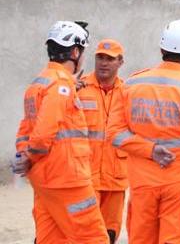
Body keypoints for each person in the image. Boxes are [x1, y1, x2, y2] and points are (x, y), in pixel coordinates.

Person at [108, 20, 180, 244]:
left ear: (162, 49)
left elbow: (115, 133)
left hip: (142, 183)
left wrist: (150, 150)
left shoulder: (132, 84)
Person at [13, 21, 108, 243]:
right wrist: (30, 155)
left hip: (44, 179)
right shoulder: (60, 86)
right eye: (82, 52)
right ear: (75, 51)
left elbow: (25, 129)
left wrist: (23, 156)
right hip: (68, 178)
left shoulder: (38, 84)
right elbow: (44, 133)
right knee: (93, 237)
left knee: (51, 238)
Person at [77, 38, 129, 243]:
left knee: (110, 233)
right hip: (85, 177)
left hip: (116, 177)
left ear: (120, 62)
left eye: (110, 58)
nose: (104, 62)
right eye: (100, 57)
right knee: (85, 233)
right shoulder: (79, 89)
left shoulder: (128, 93)